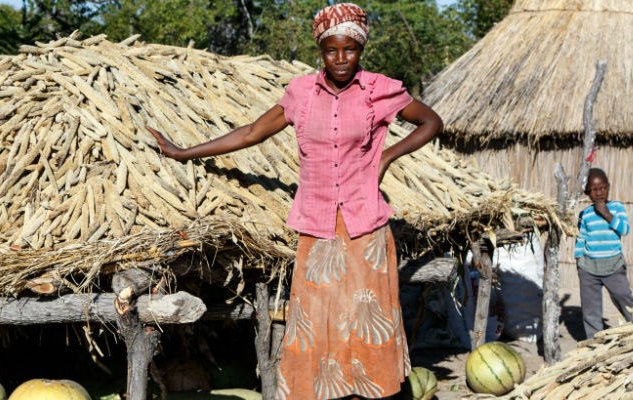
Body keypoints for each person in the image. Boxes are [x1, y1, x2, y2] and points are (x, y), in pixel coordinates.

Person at [146, 3, 442, 399]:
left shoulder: (378, 89)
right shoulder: (301, 93)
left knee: (366, 318)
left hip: (366, 226)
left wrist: (387, 156)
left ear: (361, 49)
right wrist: (184, 152)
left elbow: (431, 121)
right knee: (319, 321)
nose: (340, 59)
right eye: (331, 50)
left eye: (350, 49)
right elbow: (251, 132)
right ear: (320, 50)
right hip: (318, 227)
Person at [574, 168, 633, 339]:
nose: (599, 193)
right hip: (589, 268)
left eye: (603, 188)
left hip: (614, 266)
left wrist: (607, 214)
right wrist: (579, 262)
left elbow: (624, 230)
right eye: (594, 190)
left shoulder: (617, 208)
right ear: (587, 192)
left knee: (624, 298)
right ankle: (595, 342)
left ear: (608, 187)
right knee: (590, 309)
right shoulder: (586, 214)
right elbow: (581, 238)